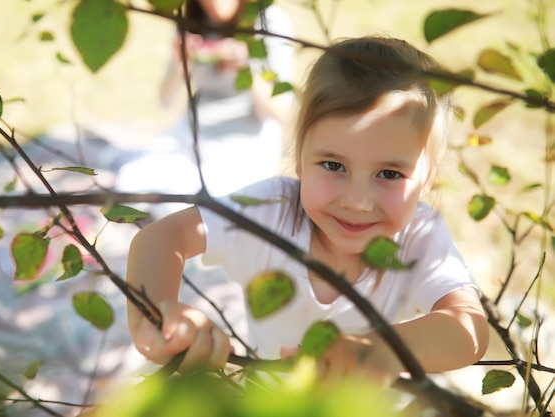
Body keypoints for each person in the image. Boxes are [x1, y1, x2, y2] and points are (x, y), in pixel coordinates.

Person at [126, 36, 490, 387]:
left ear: (428, 177)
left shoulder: (419, 237)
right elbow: (161, 237)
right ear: (300, 157)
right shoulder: (273, 211)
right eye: (333, 165)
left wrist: (379, 350)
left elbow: (469, 329)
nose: (356, 201)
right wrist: (159, 320)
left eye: (390, 174)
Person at [115, 0, 296, 205]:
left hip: (242, 148)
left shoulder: (268, 21)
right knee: (130, 182)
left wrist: (247, 70)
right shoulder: (193, 21)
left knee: (197, 208)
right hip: (192, 136)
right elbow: (165, 102)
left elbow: (280, 112)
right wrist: (181, 64)